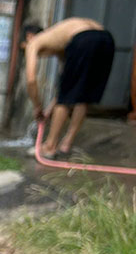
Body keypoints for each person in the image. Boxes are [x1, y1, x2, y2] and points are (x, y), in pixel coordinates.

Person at [22, 18, 115, 158]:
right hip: (106, 39)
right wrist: (48, 111)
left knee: (68, 98)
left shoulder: (34, 42)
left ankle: (49, 146)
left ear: (29, 36)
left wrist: (37, 107)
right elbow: (66, 88)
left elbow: (31, 80)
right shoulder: (61, 42)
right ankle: (66, 144)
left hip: (84, 38)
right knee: (83, 94)